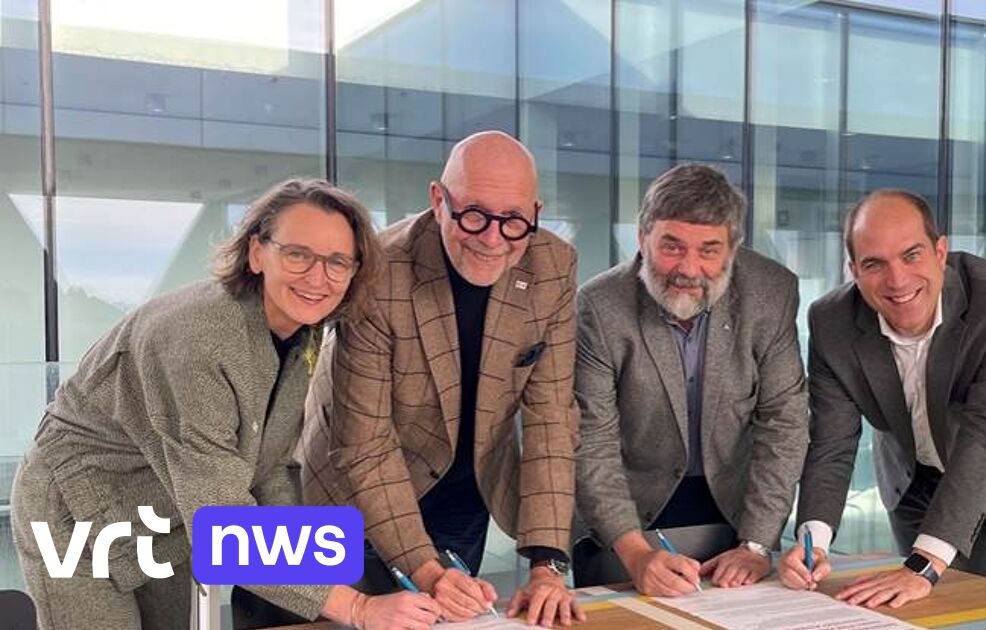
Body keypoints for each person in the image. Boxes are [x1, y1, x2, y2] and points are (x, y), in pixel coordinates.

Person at [11, 178, 442, 630]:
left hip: (166, 511)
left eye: (337, 262)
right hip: (76, 511)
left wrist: (321, 576)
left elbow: (270, 467)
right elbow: (222, 520)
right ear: (257, 253)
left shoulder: (301, 329)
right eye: (298, 255)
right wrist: (358, 608)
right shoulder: (199, 338)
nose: (318, 278)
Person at [298, 131, 584, 627]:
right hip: (350, 492)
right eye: (474, 214)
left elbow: (552, 420)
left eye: (514, 220)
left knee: (446, 619)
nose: (493, 238)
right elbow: (366, 445)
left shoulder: (553, 265)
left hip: (461, 494)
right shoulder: (381, 270)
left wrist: (547, 566)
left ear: (535, 212)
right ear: (438, 199)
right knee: (344, 619)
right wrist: (426, 571)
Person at [780, 189, 986, 609]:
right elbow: (832, 442)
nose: (897, 280)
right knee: (913, 611)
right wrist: (812, 543)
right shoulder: (831, 320)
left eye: (911, 255)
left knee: (981, 614)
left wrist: (924, 566)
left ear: (940, 252)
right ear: (854, 271)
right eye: (874, 264)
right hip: (911, 481)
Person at [572, 163, 809, 596]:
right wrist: (635, 554)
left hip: (735, 508)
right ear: (642, 238)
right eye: (672, 246)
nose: (689, 268)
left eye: (709, 250)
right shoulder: (600, 306)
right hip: (624, 511)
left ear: (732, 249)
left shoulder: (770, 292)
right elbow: (592, 441)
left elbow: (784, 423)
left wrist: (756, 544)